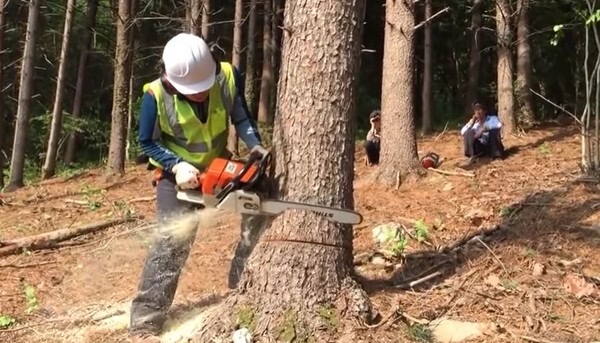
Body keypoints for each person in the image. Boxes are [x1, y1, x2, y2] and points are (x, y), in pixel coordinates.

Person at [129, 33, 268, 343]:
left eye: (205, 87)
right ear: (173, 83)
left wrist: (255, 146)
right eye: (194, 91)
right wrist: (175, 165)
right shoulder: (154, 96)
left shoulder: (227, 77)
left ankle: (242, 289)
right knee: (171, 241)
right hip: (176, 177)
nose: (202, 94)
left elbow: (241, 116)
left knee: (259, 209)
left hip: (220, 169)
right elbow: (146, 142)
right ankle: (146, 319)